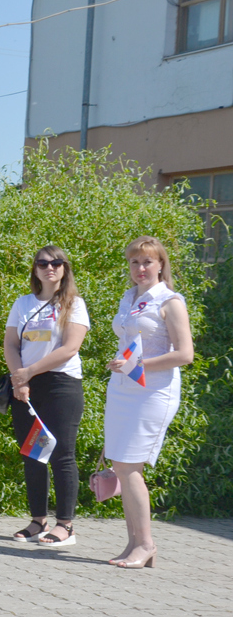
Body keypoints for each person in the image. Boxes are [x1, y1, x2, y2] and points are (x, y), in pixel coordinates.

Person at [103, 236, 193, 569]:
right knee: (123, 466)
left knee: (129, 467)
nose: (140, 269)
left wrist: (137, 366)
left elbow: (185, 354)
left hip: (154, 391)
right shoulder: (129, 297)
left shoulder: (170, 301)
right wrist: (125, 366)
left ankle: (146, 544)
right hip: (123, 388)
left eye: (147, 262)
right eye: (134, 262)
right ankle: (133, 543)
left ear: (161, 265)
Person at [3, 246, 90, 546]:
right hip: (26, 385)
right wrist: (19, 378)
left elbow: (70, 348)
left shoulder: (74, 304)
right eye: (42, 263)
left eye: (55, 263)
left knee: (62, 455)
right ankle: (37, 521)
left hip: (61, 384)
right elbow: (11, 345)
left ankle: (65, 525)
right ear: (35, 269)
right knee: (33, 454)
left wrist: (30, 371)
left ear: (64, 268)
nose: (49, 268)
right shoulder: (23, 303)